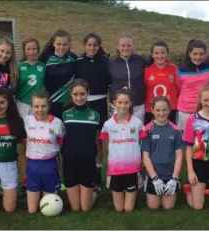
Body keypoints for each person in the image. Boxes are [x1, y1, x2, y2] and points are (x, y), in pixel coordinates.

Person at [73, 32, 111, 190]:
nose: (92, 48)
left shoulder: (106, 62)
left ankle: (97, 172)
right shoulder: (78, 62)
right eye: (89, 45)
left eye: (95, 45)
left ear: (99, 46)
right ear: (84, 45)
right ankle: (82, 171)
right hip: (84, 102)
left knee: (99, 140)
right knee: (84, 138)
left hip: (101, 102)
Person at [101, 89, 146, 212]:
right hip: (115, 170)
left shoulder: (137, 123)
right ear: (114, 103)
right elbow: (106, 146)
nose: (123, 106)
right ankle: (125, 192)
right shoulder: (108, 125)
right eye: (120, 102)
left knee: (128, 209)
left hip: (133, 169)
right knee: (119, 209)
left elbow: (142, 144)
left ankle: (132, 193)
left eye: (126, 102)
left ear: (131, 103)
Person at [62, 79, 100, 212]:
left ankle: (93, 193)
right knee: (75, 208)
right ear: (71, 94)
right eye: (75, 94)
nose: (79, 98)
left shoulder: (95, 115)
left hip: (87, 162)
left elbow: (97, 141)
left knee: (85, 208)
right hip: (70, 162)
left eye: (82, 94)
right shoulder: (65, 115)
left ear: (88, 93)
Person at [15, 37, 46, 197]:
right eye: (29, 49)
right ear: (24, 51)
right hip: (23, 106)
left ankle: (46, 177)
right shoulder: (19, 67)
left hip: (39, 107)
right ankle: (26, 181)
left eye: (34, 49)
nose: (32, 52)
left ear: (38, 50)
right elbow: (14, 86)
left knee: (41, 141)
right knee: (24, 146)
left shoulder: (43, 67)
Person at [24, 91, 64, 213]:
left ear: (48, 106)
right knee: (32, 210)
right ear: (31, 107)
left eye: (43, 106)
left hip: (50, 165)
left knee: (50, 206)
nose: (40, 109)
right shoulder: (27, 121)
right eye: (36, 106)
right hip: (33, 166)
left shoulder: (57, 123)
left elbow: (61, 144)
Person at [142, 96, 183, 210]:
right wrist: (154, 178)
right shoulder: (147, 130)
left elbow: (179, 156)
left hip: (170, 175)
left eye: (164, 110)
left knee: (168, 207)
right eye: (158, 110)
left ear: (169, 110)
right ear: (153, 110)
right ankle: (152, 183)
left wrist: (174, 178)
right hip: (154, 175)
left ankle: (182, 187)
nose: (161, 113)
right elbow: (145, 157)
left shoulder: (176, 130)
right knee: (153, 206)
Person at [175, 39, 209, 131]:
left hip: (204, 108)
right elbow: (179, 87)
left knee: (202, 139)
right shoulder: (181, 70)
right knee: (185, 139)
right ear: (189, 53)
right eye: (195, 54)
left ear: (205, 54)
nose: (198, 57)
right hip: (185, 111)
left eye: (201, 54)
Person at [39, 29, 77, 119]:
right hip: (52, 103)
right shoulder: (45, 59)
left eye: (65, 44)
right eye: (58, 44)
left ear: (69, 44)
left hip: (70, 104)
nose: (61, 47)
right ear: (53, 43)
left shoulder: (74, 58)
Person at [108, 33, 147, 122]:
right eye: (123, 45)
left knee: (137, 133)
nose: (126, 48)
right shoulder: (111, 62)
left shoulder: (140, 60)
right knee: (117, 134)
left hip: (137, 105)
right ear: (118, 47)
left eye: (129, 45)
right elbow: (108, 82)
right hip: (118, 105)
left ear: (133, 46)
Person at [143, 41, 178, 124]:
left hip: (170, 110)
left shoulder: (175, 69)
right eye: (156, 53)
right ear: (152, 55)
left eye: (163, 53)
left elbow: (179, 88)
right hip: (151, 110)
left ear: (167, 54)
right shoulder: (146, 70)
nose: (160, 56)